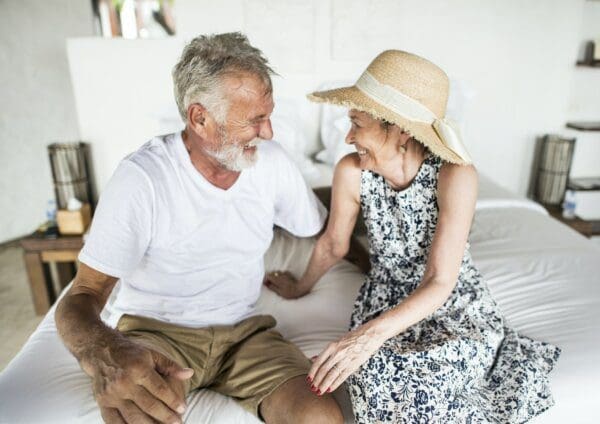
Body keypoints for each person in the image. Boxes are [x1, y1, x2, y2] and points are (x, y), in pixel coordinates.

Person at [55, 32, 343, 424]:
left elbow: (323, 224)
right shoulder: (142, 179)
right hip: (159, 334)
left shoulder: (271, 163)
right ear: (200, 118)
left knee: (320, 417)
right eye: (255, 119)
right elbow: (83, 295)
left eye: (269, 115)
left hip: (245, 334)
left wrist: (355, 188)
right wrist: (105, 351)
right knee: (138, 416)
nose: (269, 132)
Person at [265, 50, 561, 423]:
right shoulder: (351, 171)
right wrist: (300, 287)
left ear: (399, 128)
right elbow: (333, 244)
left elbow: (440, 280)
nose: (349, 136)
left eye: (357, 123)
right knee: (374, 377)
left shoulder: (456, 175)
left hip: (450, 305)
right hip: (384, 301)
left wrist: (367, 338)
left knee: (432, 377)